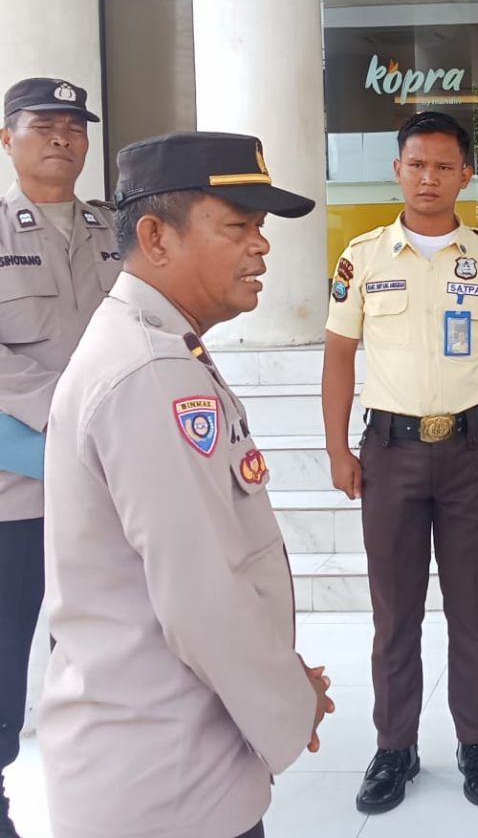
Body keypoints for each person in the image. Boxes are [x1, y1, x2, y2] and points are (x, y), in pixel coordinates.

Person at [39, 132, 334, 838]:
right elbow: (204, 595)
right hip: (166, 782)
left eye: (260, 229)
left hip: (163, 759)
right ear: (155, 237)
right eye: (237, 226)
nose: (261, 247)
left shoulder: (158, 346)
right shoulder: (150, 372)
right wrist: (293, 703)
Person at [322, 111, 478, 816]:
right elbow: (338, 357)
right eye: (417, 164)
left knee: (473, 612)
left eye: (444, 166)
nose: (429, 178)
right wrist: (336, 448)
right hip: (389, 455)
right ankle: (395, 747)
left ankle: (476, 743)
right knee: (395, 615)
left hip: (474, 454)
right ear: (398, 170)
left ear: (465, 175)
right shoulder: (363, 258)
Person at [0, 77, 119, 837]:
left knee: (100, 648)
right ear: (6, 138)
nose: (62, 139)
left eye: (74, 127)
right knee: (7, 651)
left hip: (106, 487)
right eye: (44, 125)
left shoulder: (115, 229)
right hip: (19, 488)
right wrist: (72, 413)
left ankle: (105, 785)